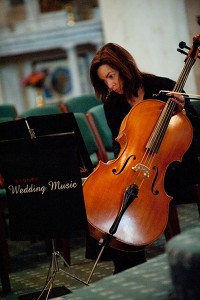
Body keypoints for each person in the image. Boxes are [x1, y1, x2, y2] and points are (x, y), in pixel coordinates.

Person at [87, 42, 200, 274]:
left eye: (111, 76)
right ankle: (128, 267)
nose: (110, 84)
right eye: (104, 81)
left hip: (171, 169)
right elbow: (118, 146)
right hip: (136, 166)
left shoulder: (163, 87)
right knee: (112, 196)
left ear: (124, 66)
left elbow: (196, 132)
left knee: (135, 199)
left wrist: (184, 110)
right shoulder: (113, 103)